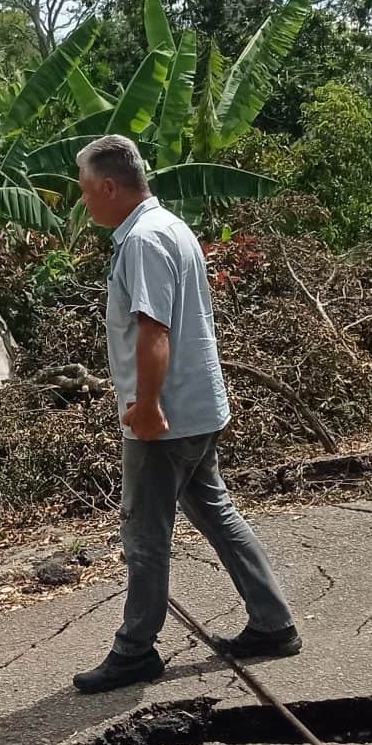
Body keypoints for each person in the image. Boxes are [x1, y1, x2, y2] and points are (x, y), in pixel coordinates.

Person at [70, 134, 301, 694]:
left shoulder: (144, 241)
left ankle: (135, 651)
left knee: (145, 535)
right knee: (217, 513)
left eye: (84, 191)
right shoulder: (170, 227)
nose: (84, 203)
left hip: (165, 418)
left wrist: (147, 406)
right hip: (200, 410)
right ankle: (273, 623)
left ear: (107, 185)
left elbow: (154, 329)